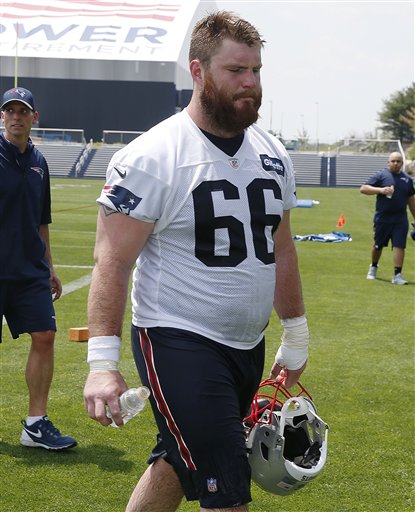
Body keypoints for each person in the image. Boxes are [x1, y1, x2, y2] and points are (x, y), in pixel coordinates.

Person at [84, 11, 309, 512]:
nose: (250, 84)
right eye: (236, 71)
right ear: (198, 71)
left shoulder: (272, 153)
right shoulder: (153, 155)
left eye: (256, 71)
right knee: (227, 488)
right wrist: (102, 363)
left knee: (179, 460)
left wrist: (296, 331)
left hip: (246, 343)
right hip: (177, 338)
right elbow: (112, 262)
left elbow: (282, 245)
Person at [0, 87, 77, 450]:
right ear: (3, 117)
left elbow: (42, 220)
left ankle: (35, 424)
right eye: (9, 111)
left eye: (22, 111)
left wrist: (50, 266)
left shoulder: (39, 162)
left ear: (34, 118)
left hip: (30, 270)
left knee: (45, 336)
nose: (16, 117)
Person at [360, 151, 415, 285]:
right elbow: (363, 188)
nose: (396, 163)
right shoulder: (381, 175)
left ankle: (397, 275)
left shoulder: (407, 180)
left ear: (402, 163)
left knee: (399, 246)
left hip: (400, 219)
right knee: (378, 245)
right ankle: (373, 267)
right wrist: (380, 190)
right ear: (388, 162)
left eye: (398, 161)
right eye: (393, 161)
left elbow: (411, 200)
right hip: (383, 218)